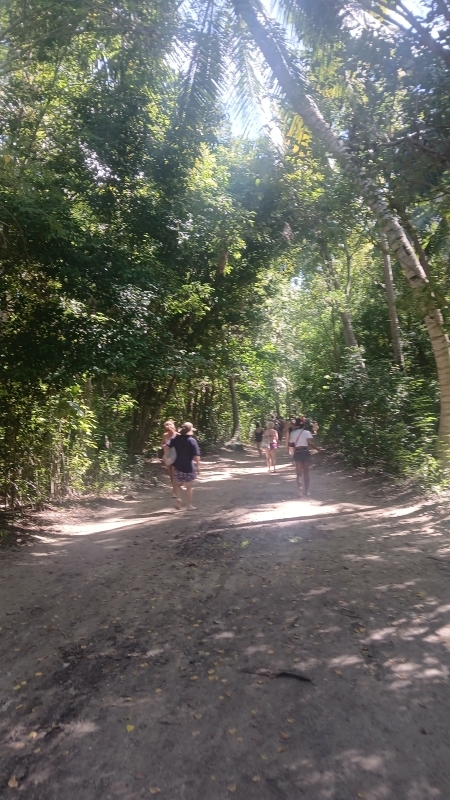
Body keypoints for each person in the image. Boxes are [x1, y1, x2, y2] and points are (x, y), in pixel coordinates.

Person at [164, 422, 200, 510]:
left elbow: (166, 446)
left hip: (177, 466)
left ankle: (179, 499)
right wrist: (198, 466)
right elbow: (196, 455)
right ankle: (188, 506)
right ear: (190, 431)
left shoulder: (175, 438)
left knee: (179, 485)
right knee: (189, 487)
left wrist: (167, 456)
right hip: (188, 467)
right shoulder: (192, 440)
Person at [289, 416, 323, 497]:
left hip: (297, 452)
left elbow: (291, 444)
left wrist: (292, 452)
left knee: (299, 473)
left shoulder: (293, 433)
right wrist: (317, 449)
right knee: (306, 472)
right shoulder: (307, 432)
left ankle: (299, 489)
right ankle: (307, 491)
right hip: (305, 452)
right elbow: (309, 443)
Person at [160, 420, 177, 497]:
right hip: (167, 456)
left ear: (173, 426)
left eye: (169, 425)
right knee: (170, 475)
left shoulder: (177, 435)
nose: (168, 427)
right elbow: (162, 444)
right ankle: (174, 488)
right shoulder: (165, 435)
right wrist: (163, 446)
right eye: (166, 426)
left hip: (176, 456)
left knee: (174, 473)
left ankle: (175, 492)